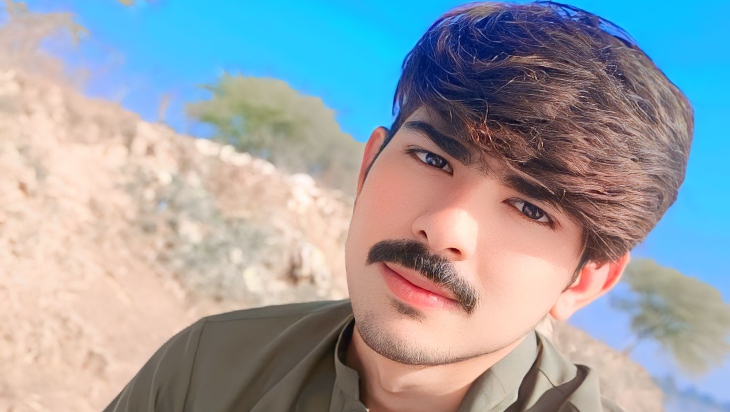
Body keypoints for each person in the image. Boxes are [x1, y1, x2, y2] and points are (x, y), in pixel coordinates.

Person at [102, 1, 693, 411]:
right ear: (368, 167)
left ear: (584, 281)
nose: (445, 226)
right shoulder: (209, 368)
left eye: (531, 209)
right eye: (433, 159)